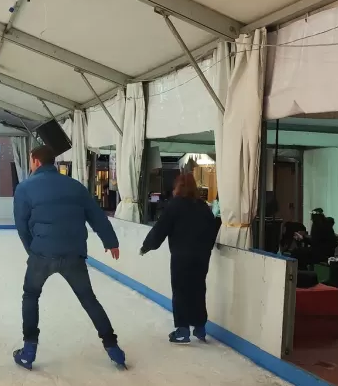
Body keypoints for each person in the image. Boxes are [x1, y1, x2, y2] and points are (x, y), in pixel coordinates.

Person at [12, 144, 126, 370]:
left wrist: (33, 249)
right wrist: (110, 241)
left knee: (31, 296)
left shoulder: (25, 188)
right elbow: (96, 215)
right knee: (88, 299)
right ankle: (113, 348)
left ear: (35, 161)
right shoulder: (75, 186)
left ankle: (29, 350)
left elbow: (21, 224)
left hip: (42, 253)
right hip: (73, 254)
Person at [140, 171, 221, 343]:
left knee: (181, 290)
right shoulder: (203, 207)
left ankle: (183, 329)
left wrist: (147, 246)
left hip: (181, 256)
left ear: (177, 187)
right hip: (201, 257)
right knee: (198, 290)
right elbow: (213, 229)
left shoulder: (174, 205)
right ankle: (200, 328)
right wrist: (205, 249)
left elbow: (160, 229)